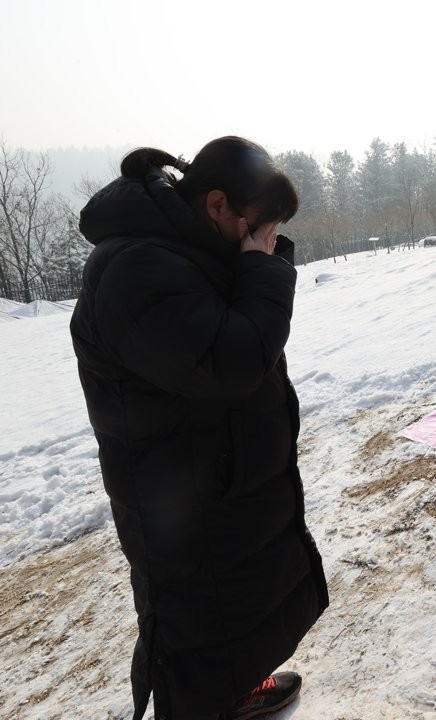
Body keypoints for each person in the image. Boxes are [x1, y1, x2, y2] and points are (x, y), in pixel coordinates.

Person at [69, 137, 329, 720]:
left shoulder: (182, 248)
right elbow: (231, 360)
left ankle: (236, 693)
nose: (265, 241)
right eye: (260, 227)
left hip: (211, 478)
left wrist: (254, 265)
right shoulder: (135, 270)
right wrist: (262, 271)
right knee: (195, 636)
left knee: (236, 611)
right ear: (217, 205)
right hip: (177, 498)